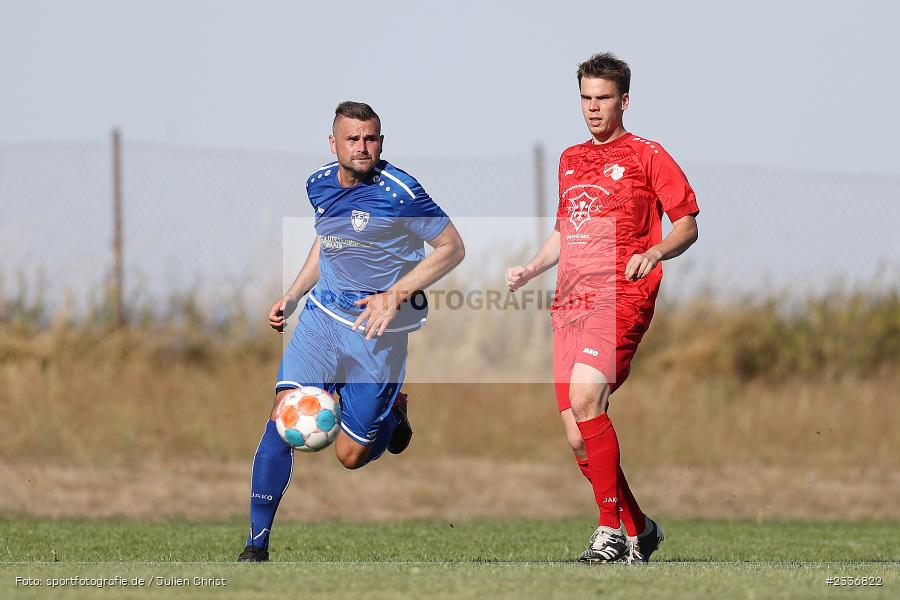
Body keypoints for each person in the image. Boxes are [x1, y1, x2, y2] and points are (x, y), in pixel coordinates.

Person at [238, 101, 465, 562]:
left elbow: (452, 248)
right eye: (353, 139)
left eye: (372, 139)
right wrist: (295, 294)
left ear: (381, 140)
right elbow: (327, 243)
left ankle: (394, 414)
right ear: (333, 142)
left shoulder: (401, 192)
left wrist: (394, 295)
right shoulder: (318, 184)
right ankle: (255, 546)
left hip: (377, 332)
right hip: (322, 319)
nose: (363, 148)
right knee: (284, 417)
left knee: (350, 455)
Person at [506, 53, 699, 565]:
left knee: (588, 397)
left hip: (622, 294)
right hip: (570, 301)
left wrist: (654, 251)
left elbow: (686, 224)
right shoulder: (570, 158)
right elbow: (564, 233)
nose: (593, 109)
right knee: (577, 435)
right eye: (586, 99)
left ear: (624, 101)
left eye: (603, 98)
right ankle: (642, 529)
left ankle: (608, 532)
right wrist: (529, 268)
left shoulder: (647, 154)